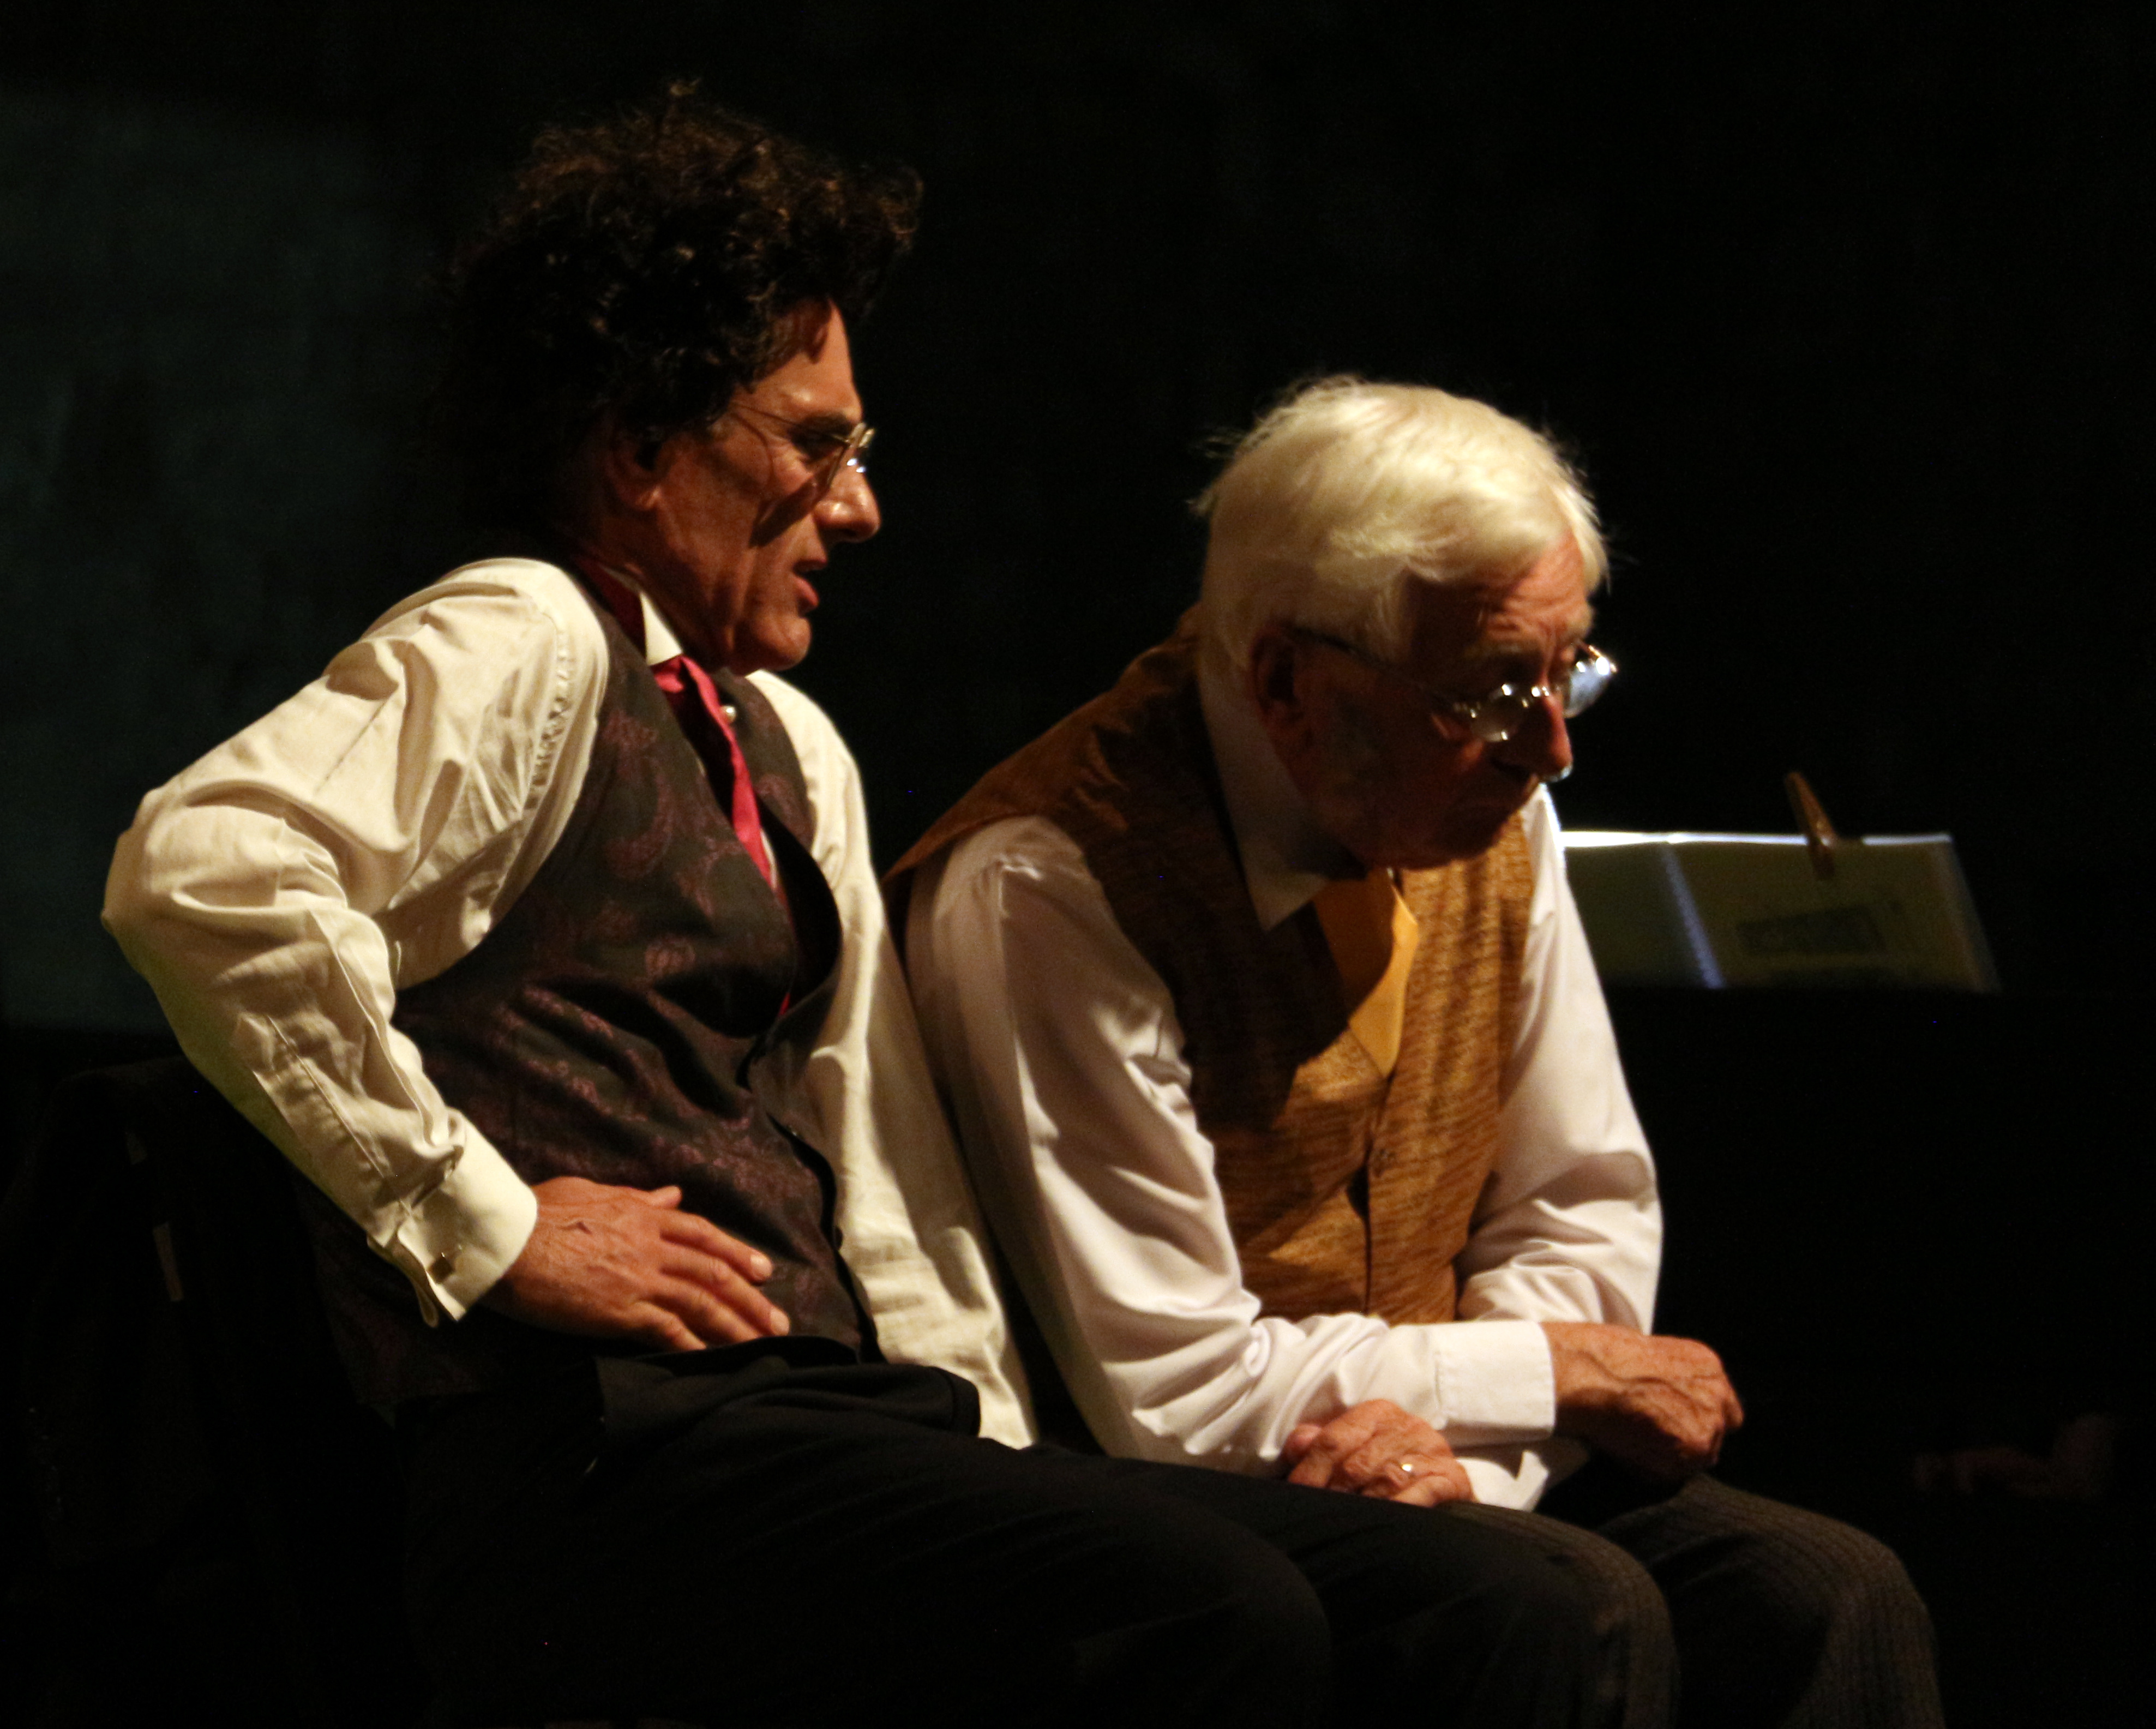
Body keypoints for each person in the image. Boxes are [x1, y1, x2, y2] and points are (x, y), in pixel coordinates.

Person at [103, 95, 1660, 1727]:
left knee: (1452, 1598)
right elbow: (212, 876)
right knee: (1212, 1610)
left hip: (815, 1432)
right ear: (640, 450)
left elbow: (889, 1187)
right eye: (812, 447)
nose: (857, 509)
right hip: (598, 1456)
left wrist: (1013, 1462)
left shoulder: (788, 740)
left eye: (858, 454)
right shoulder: (525, 635)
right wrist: (486, 1222)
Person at [897, 378, 1947, 1727]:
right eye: (1497, 688)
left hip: (1435, 1462)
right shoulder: (1054, 882)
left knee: (1833, 1592)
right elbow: (1176, 1391)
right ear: (1289, 681)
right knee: (1575, 1607)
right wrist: (1547, 1377)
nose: (1550, 747)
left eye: (1569, 672)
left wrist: (1478, 1466)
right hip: (1177, 1505)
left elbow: (1579, 1203)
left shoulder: (1496, 800)